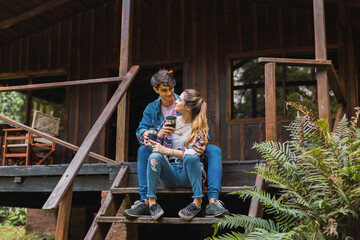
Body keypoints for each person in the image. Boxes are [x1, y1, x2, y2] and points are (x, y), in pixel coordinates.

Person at [124, 70, 228, 218]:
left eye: (171, 89)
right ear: (156, 90)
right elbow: (141, 132)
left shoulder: (185, 101)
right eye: (164, 90)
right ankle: (145, 200)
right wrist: (159, 134)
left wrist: (204, 141)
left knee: (214, 150)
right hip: (165, 153)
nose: (169, 94)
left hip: (186, 153)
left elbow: (200, 127)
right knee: (143, 150)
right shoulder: (151, 109)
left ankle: (213, 201)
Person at [146, 89, 208, 220]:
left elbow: (195, 151)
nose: (176, 100)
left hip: (188, 175)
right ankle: (152, 202)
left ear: (188, 107)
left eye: (180, 100)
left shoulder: (200, 127)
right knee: (154, 157)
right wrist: (160, 135)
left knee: (191, 155)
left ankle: (197, 202)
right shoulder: (170, 121)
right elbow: (153, 146)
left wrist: (167, 151)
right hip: (169, 173)